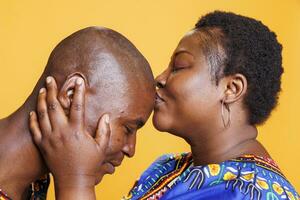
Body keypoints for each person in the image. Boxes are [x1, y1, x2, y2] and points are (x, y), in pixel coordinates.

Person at [30, 11, 299, 199]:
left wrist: (76, 183)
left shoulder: (248, 193)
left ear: (231, 88)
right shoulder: (168, 167)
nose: (159, 79)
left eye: (179, 67)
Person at [0, 26, 155, 200]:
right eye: (128, 128)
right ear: (71, 94)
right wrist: (76, 181)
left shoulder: (35, 185)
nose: (131, 149)